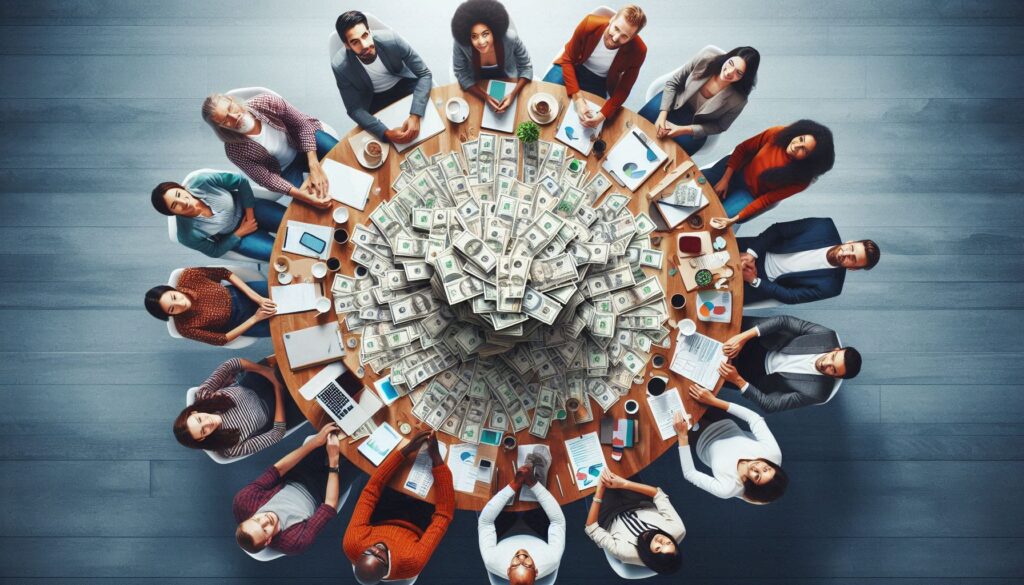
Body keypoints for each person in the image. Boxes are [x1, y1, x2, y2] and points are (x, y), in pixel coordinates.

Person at [344, 431, 454, 584]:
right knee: (447, 472)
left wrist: (406, 451)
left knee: (402, 463)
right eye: (379, 556)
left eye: (369, 551)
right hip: (417, 523)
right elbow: (444, 515)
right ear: (386, 568)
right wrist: (436, 459)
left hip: (383, 516)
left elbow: (370, 492)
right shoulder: (412, 562)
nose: (377, 548)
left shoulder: (352, 544)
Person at [200, 90, 335, 209]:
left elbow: (302, 125)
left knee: (342, 154)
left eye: (230, 108)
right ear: (220, 127)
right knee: (320, 199)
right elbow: (266, 178)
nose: (234, 117)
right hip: (288, 169)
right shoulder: (233, 150)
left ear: (232, 100)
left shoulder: (267, 102)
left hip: (304, 142)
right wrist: (302, 196)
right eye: (225, 120)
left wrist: (314, 164)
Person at [233, 423, 345, 555]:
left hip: (296, 475)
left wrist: (315, 442)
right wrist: (334, 461)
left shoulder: (243, 502)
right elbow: (329, 506)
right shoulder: (293, 543)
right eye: (265, 530)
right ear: (268, 540)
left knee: (333, 431)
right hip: (321, 494)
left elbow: (277, 470)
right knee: (359, 455)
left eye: (256, 519)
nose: (265, 520)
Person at [703, 120, 835, 228]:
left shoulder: (801, 180)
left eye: (804, 150)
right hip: (736, 169)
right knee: (695, 187)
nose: (796, 146)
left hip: (750, 194)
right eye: (800, 139)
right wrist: (725, 179)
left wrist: (733, 220)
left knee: (717, 219)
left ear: (809, 160)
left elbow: (766, 200)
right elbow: (742, 149)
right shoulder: (777, 133)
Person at [719, 315, 863, 413]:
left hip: (753, 376)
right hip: (759, 341)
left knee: (705, 373)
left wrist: (737, 379)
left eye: (833, 370)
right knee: (710, 330)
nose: (826, 363)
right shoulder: (826, 337)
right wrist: (743, 338)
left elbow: (771, 405)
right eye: (832, 356)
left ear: (837, 377)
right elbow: (785, 321)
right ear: (837, 349)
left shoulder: (818, 392)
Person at [638, 45, 760, 155]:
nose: (729, 72)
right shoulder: (706, 57)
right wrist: (662, 114)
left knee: (672, 155)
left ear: (744, 78)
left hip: (694, 125)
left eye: (738, 73)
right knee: (638, 125)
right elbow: (673, 82)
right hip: (675, 101)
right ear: (728, 57)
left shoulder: (739, 100)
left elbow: (720, 126)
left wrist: (683, 130)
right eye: (731, 63)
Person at [333, 10, 433, 144]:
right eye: (355, 42)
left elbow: (425, 74)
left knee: (431, 130)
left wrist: (415, 115)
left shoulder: (392, 40)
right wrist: (385, 133)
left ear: (370, 31)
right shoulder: (340, 67)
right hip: (373, 98)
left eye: (365, 35)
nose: (365, 45)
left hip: (404, 85)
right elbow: (354, 109)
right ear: (347, 45)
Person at [675, 385, 787, 504]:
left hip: (700, 440)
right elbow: (754, 418)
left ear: (750, 486)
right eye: (766, 468)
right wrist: (713, 401)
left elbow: (690, 473)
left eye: (757, 476)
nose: (757, 467)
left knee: (671, 408)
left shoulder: (728, 489)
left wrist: (682, 436)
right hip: (723, 421)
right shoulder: (773, 454)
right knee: (688, 389)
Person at [542, 5, 647, 127]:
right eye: (616, 29)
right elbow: (568, 59)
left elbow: (624, 89)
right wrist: (578, 98)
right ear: (612, 19)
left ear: (633, 37)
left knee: (586, 124)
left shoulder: (639, 51)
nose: (615, 38)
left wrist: (602, 115)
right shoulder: (589, 23)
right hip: (573, 66)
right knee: (543, 96)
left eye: (625, 36)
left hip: (599, 81)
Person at [738, 218, 881, 305]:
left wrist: (755, 281)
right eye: (851, 248)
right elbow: (778, 230)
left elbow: (791, 297)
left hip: (760, 284)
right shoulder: (824, 226)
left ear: (853, 269)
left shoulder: (831, 287)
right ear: (850, 242)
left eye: (853, 258)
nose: (846, 253)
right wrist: (752, 253)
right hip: (756, 250)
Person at [151, 170, 286, 262]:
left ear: (181, 188)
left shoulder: (200, 180)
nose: (183, 202)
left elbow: (241, 181)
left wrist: (250, 216)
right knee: (281, 256)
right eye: (175, 205)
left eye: (178, 194)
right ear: (172, 213)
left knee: (295, 224)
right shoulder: (186, 236)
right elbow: (214, 251)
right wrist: (239, 233)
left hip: (250, 207)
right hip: (238, 235)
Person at [172, 358, 287, 458]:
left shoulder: (203, 395)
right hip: (277, 407)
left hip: (255, 381)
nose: (208, 423)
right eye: (203, 431)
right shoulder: (230, 448)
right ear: (201, 439)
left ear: (194, 412)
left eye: (200, 419)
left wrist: (266, 372)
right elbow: (277, 434)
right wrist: (278, 388)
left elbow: (232, 363)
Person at [479, 462, 566, 584]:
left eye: (515, 565)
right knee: (549, 481)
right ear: (536, 572)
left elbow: (485, 522)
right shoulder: (551, 559)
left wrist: (514, 484)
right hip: (537, 530)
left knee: (491, 485)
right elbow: (558, 521)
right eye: (527, 565)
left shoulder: (491, 561)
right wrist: (533, 483)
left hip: (505, 531)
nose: (521, 557)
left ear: (508, 570)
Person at [143, 266, 276, 346]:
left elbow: (224, 273)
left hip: (244, 293)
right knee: (287, 326)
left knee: (289, 290)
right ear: (170, 315)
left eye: (174, 297)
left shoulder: (189, 276)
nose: (180, 303)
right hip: (242, 321)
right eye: (172, 309)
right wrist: (255, 318)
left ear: (172, 289)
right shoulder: (185, 328)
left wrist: (257, 298)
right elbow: (222, 340)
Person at [584, 469, 684, 574]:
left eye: (658, 548)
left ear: (649, 554)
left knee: (591, 474)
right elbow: (658, 495)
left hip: (608, 515)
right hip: (638, 502)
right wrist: (625, 484)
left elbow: (592, 528)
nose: (661, 540)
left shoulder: (626, 553)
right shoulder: (677, 529)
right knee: (622, 464)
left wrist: (600, 489)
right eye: (668, 542)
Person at [451, 0, 532, 111]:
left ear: (494, 31)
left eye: (485, 34)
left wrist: (513, 94)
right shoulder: (461, 44)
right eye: (474, 36)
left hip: (507, 81)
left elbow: (526, 67)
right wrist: (485, 97)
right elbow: (461, 73)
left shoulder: (510, 38)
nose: (481, 42)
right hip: (477, 84)